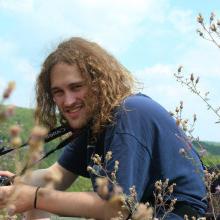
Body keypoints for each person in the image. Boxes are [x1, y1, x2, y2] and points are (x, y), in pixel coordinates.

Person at [0, 37, 207, 219]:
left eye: (76, 87)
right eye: (58, 92)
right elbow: (56, 176)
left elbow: (117, 208)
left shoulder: (129, 113)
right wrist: (13, 184)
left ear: (99, 83)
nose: (68, 101)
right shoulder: (96, 123)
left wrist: (35, 197)